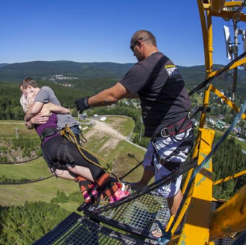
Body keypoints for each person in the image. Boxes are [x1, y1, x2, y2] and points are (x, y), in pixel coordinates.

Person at [75, 30, 194, 220]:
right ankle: (142, 184)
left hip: (171, 136)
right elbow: (146, 90)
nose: (134, 56)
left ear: (139, 44)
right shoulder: (166, 62)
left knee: (169, 186)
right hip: (174, 130)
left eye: (133, 51)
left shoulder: (145, 67)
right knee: (150, 158)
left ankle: (178, 228)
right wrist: (125, 91)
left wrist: (87, 102)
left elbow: (111, 96)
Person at [20, 90, 129, 204]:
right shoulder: (45, 105)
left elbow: (28, 124)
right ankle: (115, 193)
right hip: (56, 141)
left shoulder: (29, 117)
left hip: (47, 150)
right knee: (91, 161)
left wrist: (30, 119)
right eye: (33, 95)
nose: (37, 95)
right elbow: (65, 110)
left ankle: (88, 191)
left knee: (73, 166)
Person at [20, 77, 81, 143]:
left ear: (29, 87)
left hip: (69, 126)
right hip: (62, 129)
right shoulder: (40, 100)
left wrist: (26, 118)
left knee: (74, 151)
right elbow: (29, 124)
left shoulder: (44, 90)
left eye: (24, 92)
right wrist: (31, 121)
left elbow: (33, 110)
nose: (24, 95)